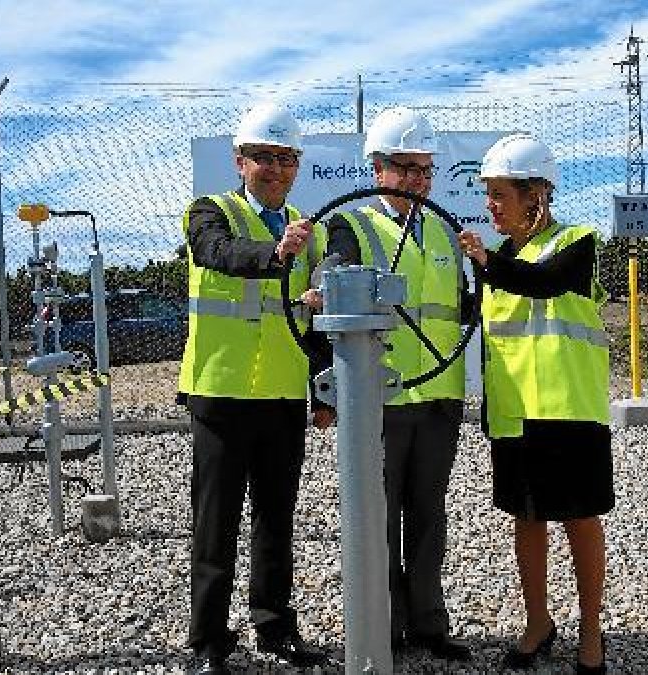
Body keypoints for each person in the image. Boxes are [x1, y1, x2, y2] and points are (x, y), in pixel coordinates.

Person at [177, 101, 330, 675]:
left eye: (285, 159)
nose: (274, 169)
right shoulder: (209, 212)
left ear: (296, 166)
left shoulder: (307, 232)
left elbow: (310, 319)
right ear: (240, 162)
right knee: (215, 521)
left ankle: (274, 627)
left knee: (275, 518)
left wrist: (323, 392)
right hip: (221, 391)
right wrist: (275, 253)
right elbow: (217, 256)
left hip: (284, 395)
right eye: (263, 158)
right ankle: (209, 640)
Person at [457, 134, 613, 673]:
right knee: (527, 520)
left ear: (536, 196)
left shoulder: (576, 241)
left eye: (500, 194)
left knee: (579, 519)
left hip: (568, 410)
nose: (491, 205)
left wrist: (485, 264)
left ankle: (591, 632)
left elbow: (548, 283)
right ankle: (538, 622)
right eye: (489, 194)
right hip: (513, 412)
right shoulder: (497, 256)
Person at [321, 107, 472, 661]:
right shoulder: (353, 226)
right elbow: (333, 285)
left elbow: (460, 306)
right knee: (379, 517)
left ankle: (430, 624)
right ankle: (383, 628)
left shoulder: (446, 231)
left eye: (425, 169)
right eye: (406, 167)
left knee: (429, 514)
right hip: (381, 397)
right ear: (378, 168)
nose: (417, 180)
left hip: (439, 394)